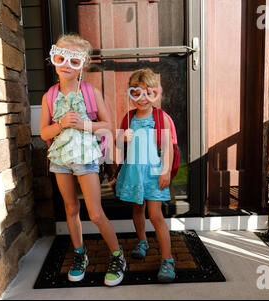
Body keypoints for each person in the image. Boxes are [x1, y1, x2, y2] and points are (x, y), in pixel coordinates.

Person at [40, 34, 126, 287]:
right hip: (60, 160)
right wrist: (61, 124)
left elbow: (108, 126)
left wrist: (84, 124)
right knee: (70, 209)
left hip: (86, 159)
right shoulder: (50, 95)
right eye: (61, 58)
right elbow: (44, 132)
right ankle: (80, 254)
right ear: (54, 59)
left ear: (83, 65)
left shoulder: (90, 91)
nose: (66, 64)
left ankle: (117, 256)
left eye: (74, 60)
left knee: (96, 213)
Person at [115, 68, 176, 282]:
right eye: (137, 93)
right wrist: (122, 138)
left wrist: (166, 171)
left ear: (156, 93)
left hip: (154, 173)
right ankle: (142, 240)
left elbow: (168, 147)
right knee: (137, 209)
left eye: (148, 93)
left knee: (155, 215)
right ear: (131, 94)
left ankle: (167, 259)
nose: (143, 99)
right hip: (133, 172)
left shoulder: (161, 118)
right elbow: (118, 147)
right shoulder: (128, 118)